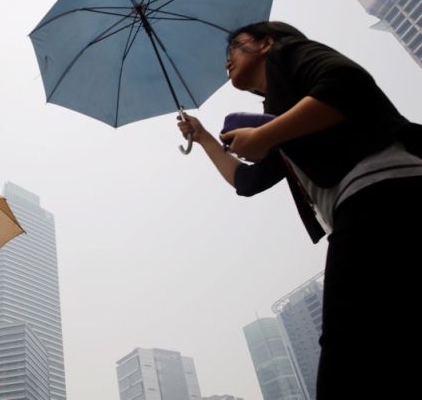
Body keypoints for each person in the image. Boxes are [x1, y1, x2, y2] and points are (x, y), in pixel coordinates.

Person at [177, 21, 422, 399]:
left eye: (234, 50)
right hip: (367, 206)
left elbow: (347, 83)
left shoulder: (291, 53)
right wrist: (205, 137)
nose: (227, 63)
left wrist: (265, 135)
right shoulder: (280, 112)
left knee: (346, 354)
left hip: (382, 192)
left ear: (265, 43)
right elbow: (248, 183)